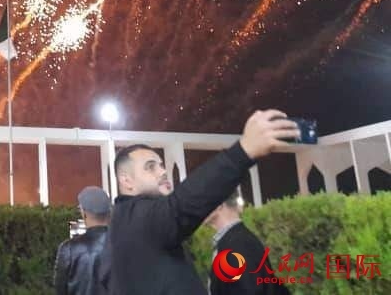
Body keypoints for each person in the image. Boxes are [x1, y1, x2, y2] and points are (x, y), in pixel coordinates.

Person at [100, 109, 300, 295]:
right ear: (127, 181)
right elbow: (181, 206)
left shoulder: (126, 227)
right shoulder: (136, 218)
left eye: (161, 165)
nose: (163, 172)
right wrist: (243, 151)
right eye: (150, 167)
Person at [204, 189, 289, 294]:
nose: (200, 208)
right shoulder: (235, 240)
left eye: (204, 201)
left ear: (219, 205)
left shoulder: (237, 244)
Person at [54, 186, 111, 295]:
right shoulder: (124, 245)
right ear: (109, 213)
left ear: (84, 213)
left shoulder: (68, 249)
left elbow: (60, 289)